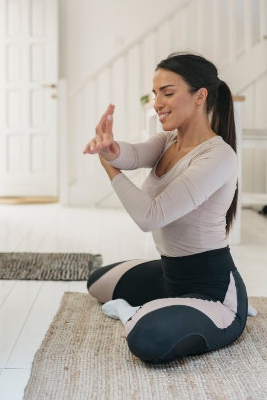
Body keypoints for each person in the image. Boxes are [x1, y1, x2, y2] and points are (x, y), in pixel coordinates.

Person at [83, 52, 255, 364]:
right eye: (155, 94)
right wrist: (109, 149)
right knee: (96, 282)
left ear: (199, 95)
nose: (158, 102)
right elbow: (132, 156)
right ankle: (162, 305)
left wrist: (107, 166)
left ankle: (137, 313)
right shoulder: (168, 140)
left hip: (212, 291)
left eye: (168, 93)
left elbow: (151, 216)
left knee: (147, 338)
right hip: (170, 275)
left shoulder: (218, 156)